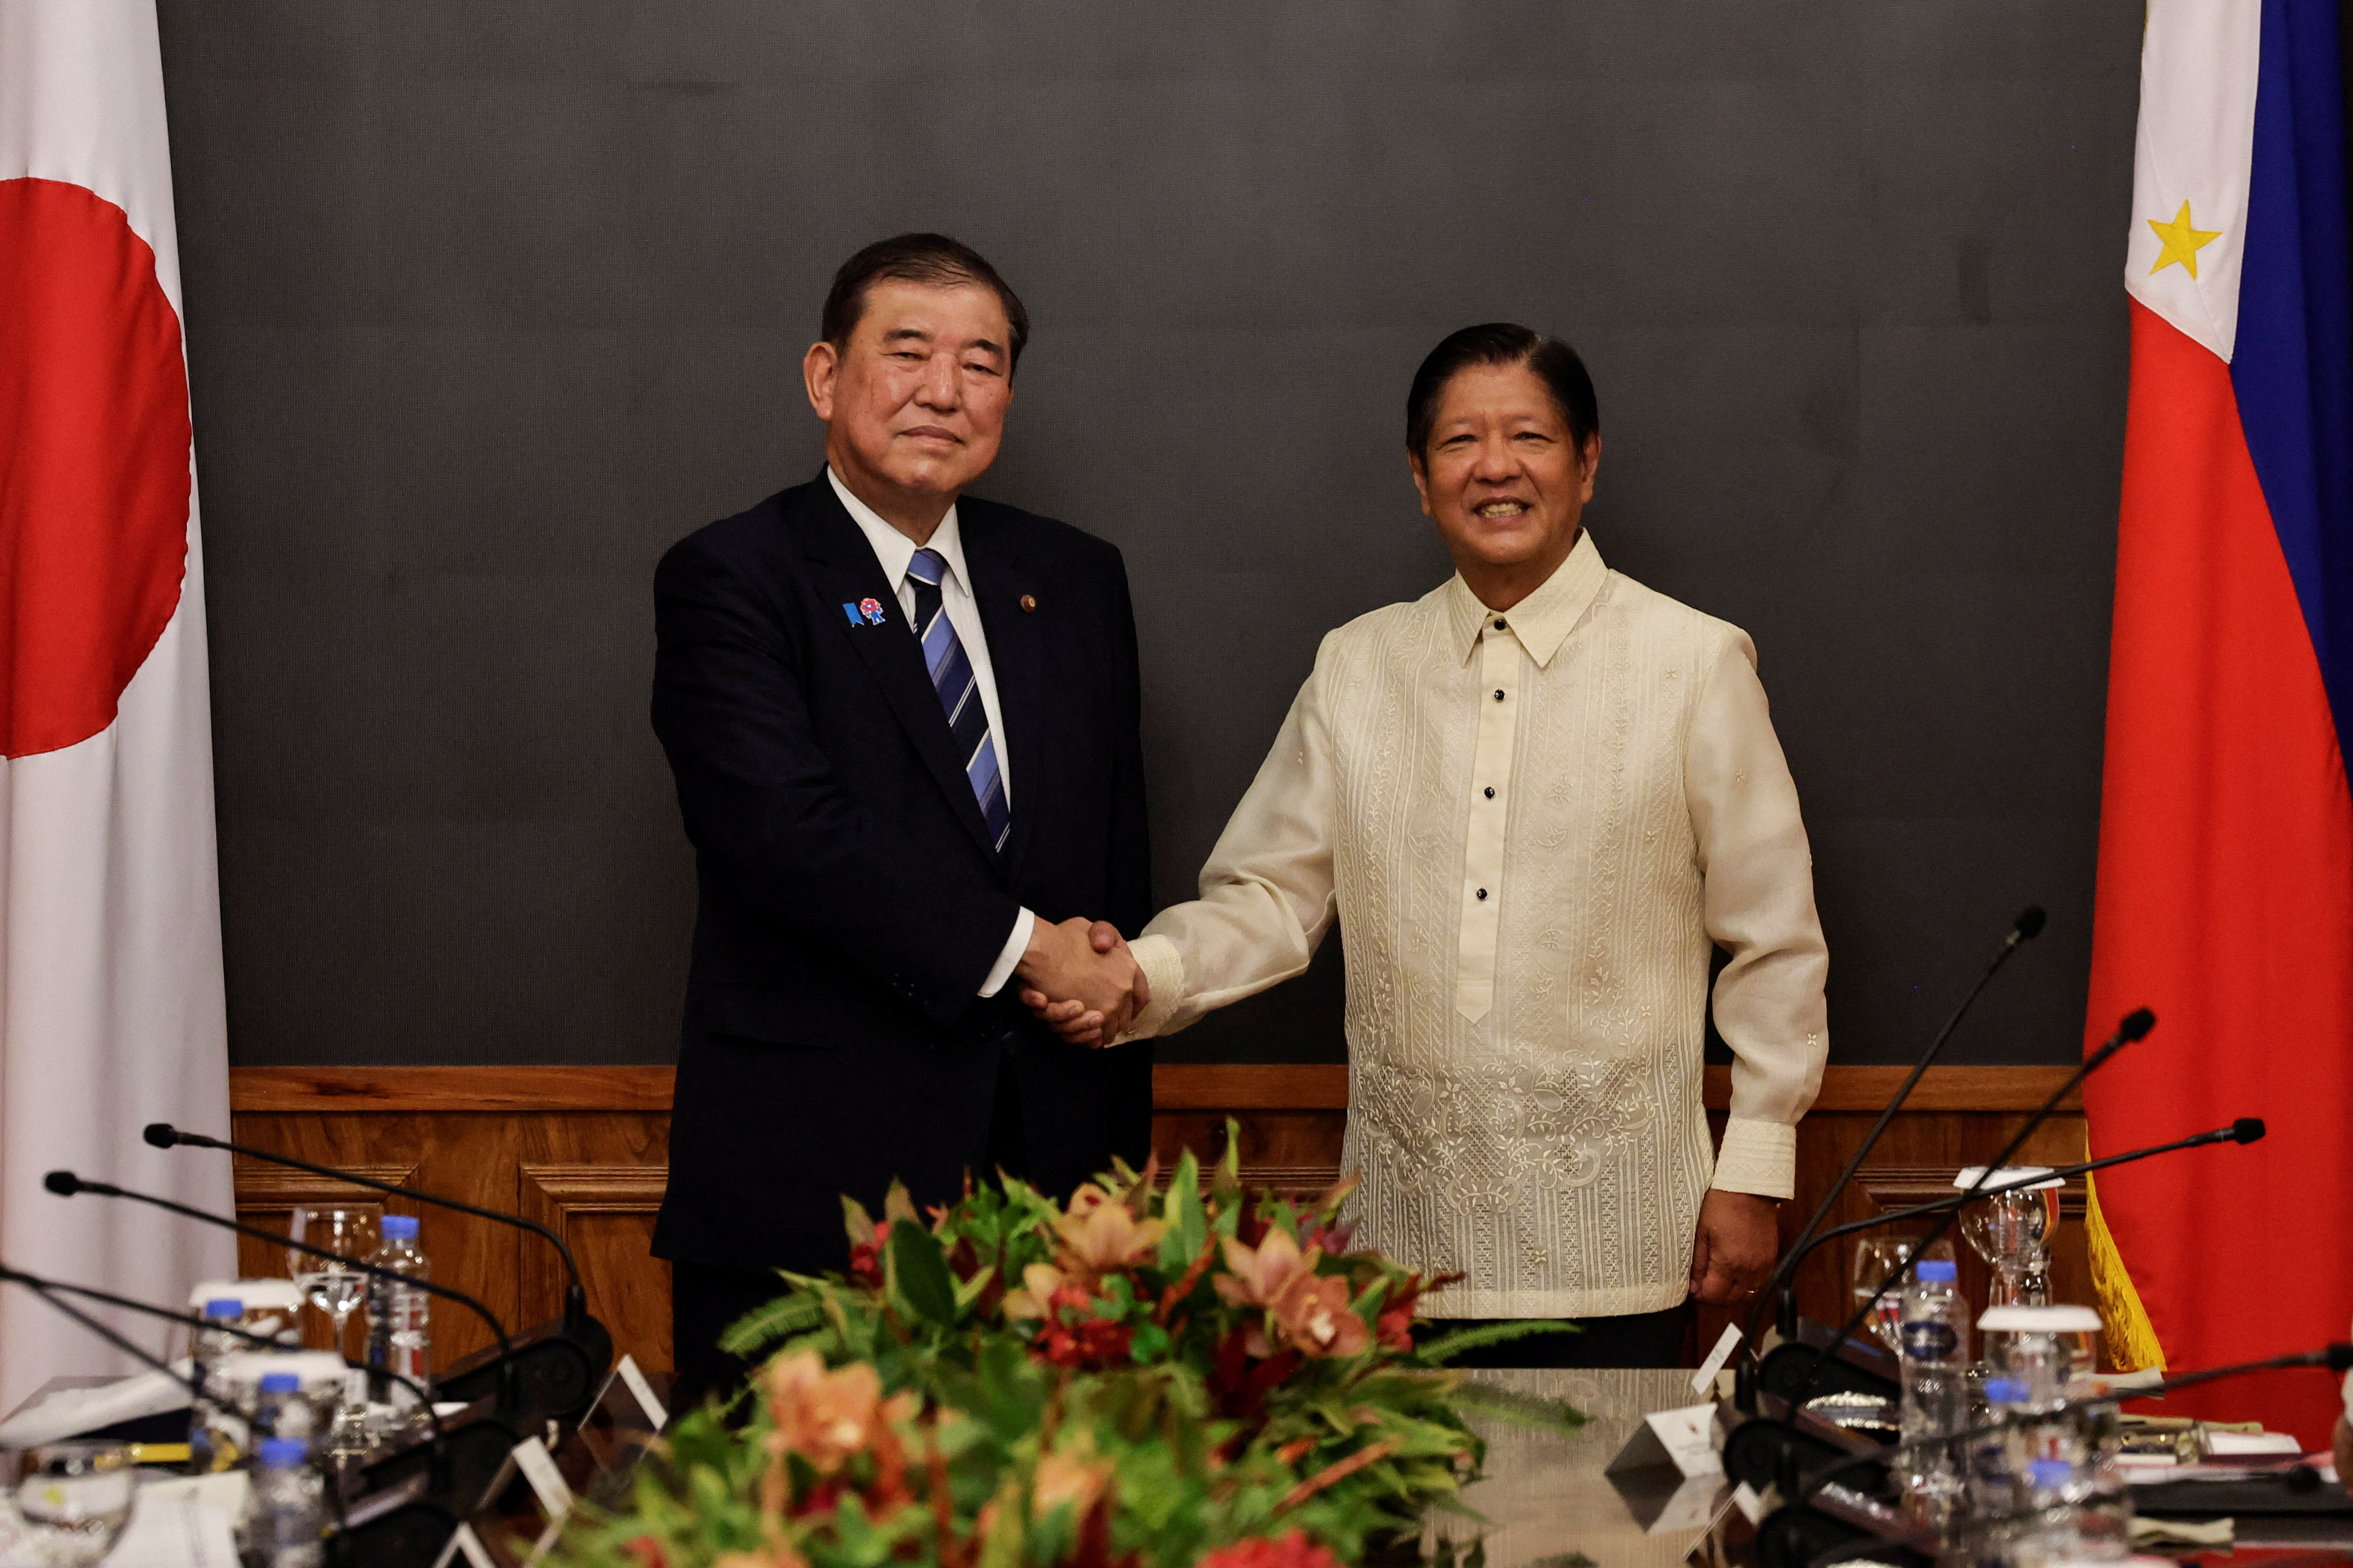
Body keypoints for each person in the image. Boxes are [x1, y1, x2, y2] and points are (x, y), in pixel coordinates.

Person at [1029, 323, 1828, 1366]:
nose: (1494, 467)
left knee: (1603, 1534)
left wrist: (1755, 1168)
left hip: (1629, 1243)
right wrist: (1141, 973)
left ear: (1588, 464)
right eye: (1459, 442)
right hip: (1397, 1257)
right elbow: (1271, 896)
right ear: (1420, 478)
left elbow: (1776, 940)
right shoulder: (1359, 664)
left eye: (1530, 437)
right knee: (1412, 1532)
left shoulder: (1694, 663)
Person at [650, 234, 1154, 1408]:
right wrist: (1032, 947)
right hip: (818, 1186)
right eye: (909, 352)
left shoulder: (1075, 578)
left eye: (980, 363)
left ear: (1009, 397)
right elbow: (784, 831)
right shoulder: (735, 575)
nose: (944, 390)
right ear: (826, 377)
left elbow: (1112, 844)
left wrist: (1109, 996)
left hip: (1055, 1189)